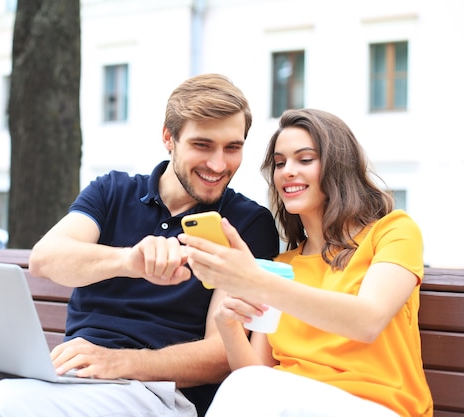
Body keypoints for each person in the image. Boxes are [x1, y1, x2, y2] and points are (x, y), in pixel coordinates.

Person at [0, 73, 280, 417]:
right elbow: (47, 258)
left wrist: (119, 362)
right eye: (203, 145)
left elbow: (219, 356)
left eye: (233, 148)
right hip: (70, 371)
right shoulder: (113, 191)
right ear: (168, 138)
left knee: (4, 405)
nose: (218, 164)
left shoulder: (247, 225)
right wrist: (129, 260)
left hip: (156, 391)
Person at [179, 108, 433, 416]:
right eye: (280, 162)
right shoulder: (282, 266)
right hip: (295, 404)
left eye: (305, 159)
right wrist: (228, 325)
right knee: (245, 382)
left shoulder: (393, 231)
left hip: (379, 406)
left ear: (338, 166)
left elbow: (368, 321)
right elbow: (258, 373)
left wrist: (258, 283)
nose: (287, 171)